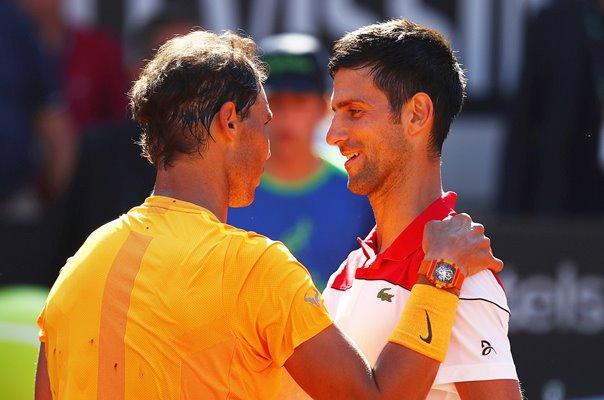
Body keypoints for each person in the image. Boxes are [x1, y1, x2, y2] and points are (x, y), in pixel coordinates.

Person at [35, 29, 503, 399]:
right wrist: (441, 275)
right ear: (229, 123)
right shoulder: (255, 269)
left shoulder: (78, 270)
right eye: (266, 122)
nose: (271, 145)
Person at [281, 19, 521, 399]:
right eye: (336, 113)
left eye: (354, 111)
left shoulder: (460, 275)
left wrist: (443, 272)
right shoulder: (351, 269)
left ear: (417, 115)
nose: (333, 135)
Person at [228, 32, 374, 290]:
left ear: (323, 107)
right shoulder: (224, 189)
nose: (285, 117)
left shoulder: (359, 189)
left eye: (299, 102)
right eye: (275, 102)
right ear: (252, 108)